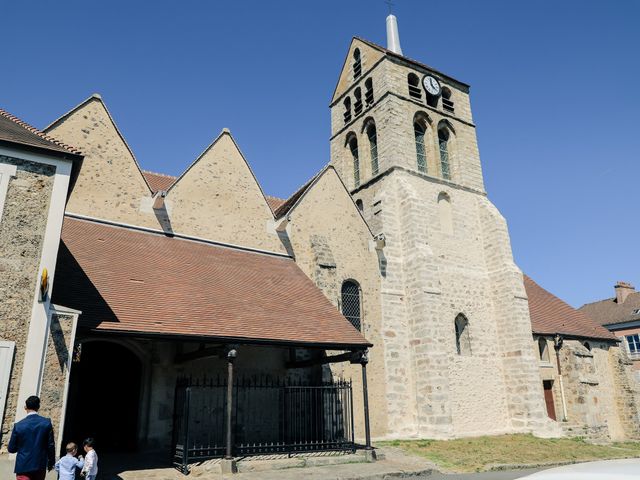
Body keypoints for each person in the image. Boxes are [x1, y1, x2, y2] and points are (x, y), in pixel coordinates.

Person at [7, 395, 56, 480]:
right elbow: (50, 445)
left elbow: (11, 449)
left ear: (25, 407)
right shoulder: (46, 423)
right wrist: (51, 462)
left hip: (23, 465)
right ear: (38, 407)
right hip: (39, 465)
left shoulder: (18, 426)